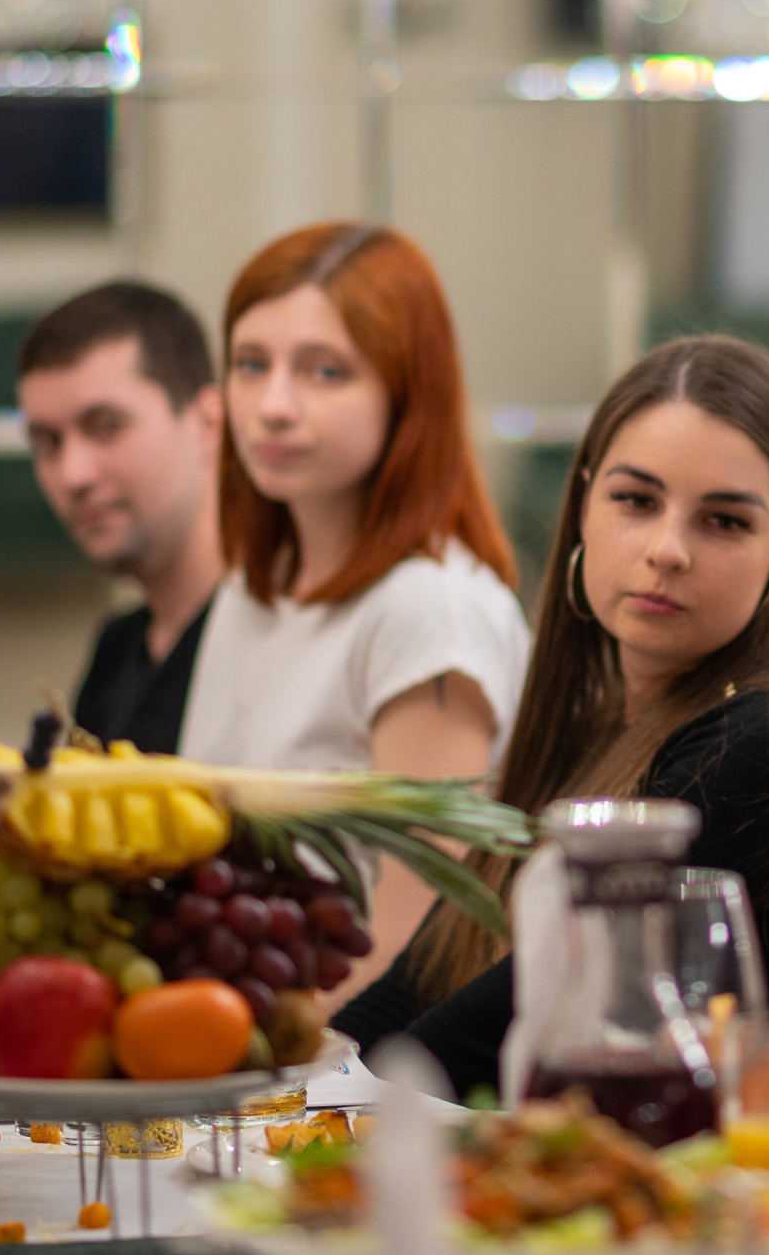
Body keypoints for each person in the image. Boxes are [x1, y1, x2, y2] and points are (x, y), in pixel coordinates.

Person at [332, 334, 769, 1097]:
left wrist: (349, 1097)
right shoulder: (592, 717)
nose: (667, 549)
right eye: (636, 500)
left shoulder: (757, 739)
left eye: (724, 521)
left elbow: (522, 1010)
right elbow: (428, 971)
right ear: (584, 509)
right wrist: (311, 1071)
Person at [179, 223, 531, 978]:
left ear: (407, 395)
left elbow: (413, 954)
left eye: (325, 372)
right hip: (232, 1049)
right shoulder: (254, 581)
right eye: (250, 364)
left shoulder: (431, 611)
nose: (273, 405)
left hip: (353, 1078)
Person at [17, 282, 227, 755]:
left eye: (107, 427)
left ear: (207, 424)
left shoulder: (278, 640)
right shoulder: (117, 650)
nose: (74, 475)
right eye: (47, 442)